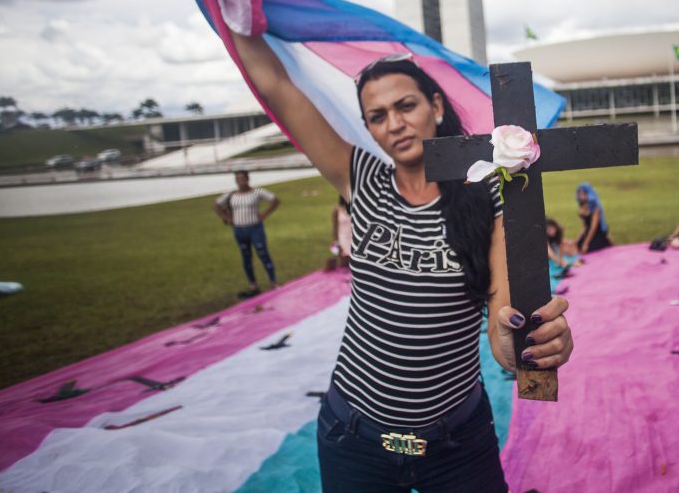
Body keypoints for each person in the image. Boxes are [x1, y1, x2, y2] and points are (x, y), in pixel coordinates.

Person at [226, 30, 573, 492]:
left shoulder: (487, 190)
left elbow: (500, 312)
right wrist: (232, 7)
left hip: (456, 443)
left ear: (436, 105)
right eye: (377, 116)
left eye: (405, 106)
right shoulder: (360, 178)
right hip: (354, 437)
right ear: (368, 128)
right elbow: (277, 87)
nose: (394, 123)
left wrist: (519, 342)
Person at [213, 170, 280, 297]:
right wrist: (227, 218)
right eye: (238, 179)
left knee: (263, 253)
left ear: (248, 179)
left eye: (243, 178)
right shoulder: (231, 194)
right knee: (246, 256)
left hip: (255, 228)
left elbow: (275, 200)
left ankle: (273, 281)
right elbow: (216, 205)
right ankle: (253, 284)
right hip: (239, 230)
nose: (241, 181)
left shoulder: (257, 192)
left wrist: (264, 214)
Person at [576, 182, 613, 253]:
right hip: (588, 232)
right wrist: (578, 239)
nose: (581, 196)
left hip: (597, 232)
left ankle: (605, 241)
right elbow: (584, 226)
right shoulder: (581, 207)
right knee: (578, 246)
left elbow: (593, 227)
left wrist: (586, 243)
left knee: (589, 248)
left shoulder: (596, 208)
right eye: (580, 194)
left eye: (584, 194)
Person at [326, 195, 352, 272]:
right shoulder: (337, 211)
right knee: (344, 264)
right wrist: (336, 241)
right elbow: (335, 227)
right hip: (343, 237)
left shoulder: (354, 209)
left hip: (353, 237)